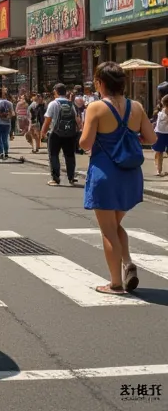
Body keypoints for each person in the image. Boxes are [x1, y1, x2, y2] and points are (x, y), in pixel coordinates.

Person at [79, 62, 157, 295]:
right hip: (130, 174)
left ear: (101, 83)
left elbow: (85, 143)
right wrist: (129, 138)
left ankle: (115, 283)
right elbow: (151, 138)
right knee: (115, 224)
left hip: (105, 172)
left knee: (108, 231)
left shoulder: (95, 108)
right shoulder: (137, 107)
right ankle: (128, 263)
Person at [41, 83, 82, 186]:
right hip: (70, 134)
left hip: (55, 133)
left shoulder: (53, 104)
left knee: (54, 155)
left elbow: (48, 120)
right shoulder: (71, 104)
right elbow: (77, 119)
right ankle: (71, 177)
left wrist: (43, 133)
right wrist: (79, 130)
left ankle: (55, 178)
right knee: (69, 155)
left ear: (55, 92)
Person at [0, 94, 14, 160]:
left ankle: (0, 152)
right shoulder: (10, 103)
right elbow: (12, 114)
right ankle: (6, 152)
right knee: (5, 138)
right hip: (7, 124)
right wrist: (7, 118)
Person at [153, 94, 168, 177]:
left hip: (160, 133)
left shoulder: (162, 111)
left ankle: (159, 170)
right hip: (162, 133)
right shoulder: (163, 111)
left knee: (159, 152)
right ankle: (159, 170)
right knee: (159, 152)